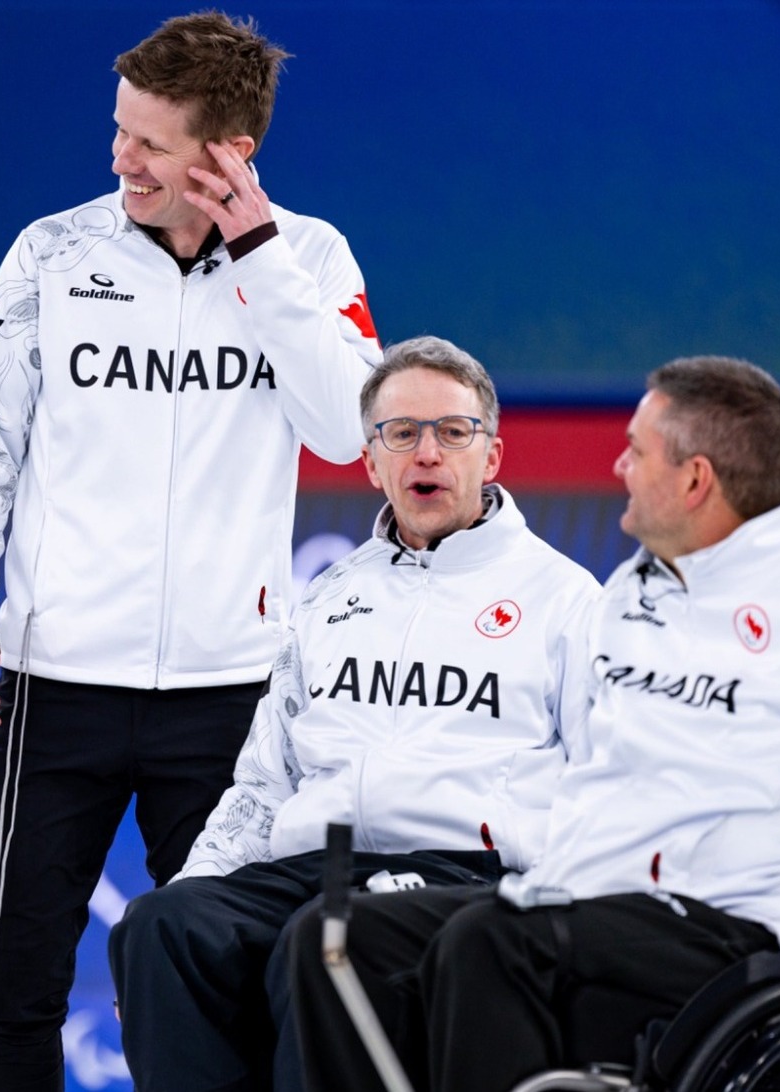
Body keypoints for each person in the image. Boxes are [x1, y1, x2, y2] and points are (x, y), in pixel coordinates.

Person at [286, 356, 780, 1092]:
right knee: (343, 938)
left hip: (738, 929)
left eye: (637, 451)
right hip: (589, 906)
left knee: (492, 945)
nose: (617, 465)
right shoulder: (630, 596)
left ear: (694, 479)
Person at [0, 12, 384, 1087]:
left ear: (229, 155)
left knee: (223, 976)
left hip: (231, 692)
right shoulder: (49, 252)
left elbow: (340, 428)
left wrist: (258, 255)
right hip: (54, 683)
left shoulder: (310, 257)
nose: (117, 158)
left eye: (148, 141)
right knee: (9, 983)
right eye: (118, 130)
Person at [106, 336, 599, 1090]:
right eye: (401, 433)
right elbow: (263, 784)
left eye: (451, 432)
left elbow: (606, 781)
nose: (425, 453)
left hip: (462, 875)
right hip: (314, 864)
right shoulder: (330, 596)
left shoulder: (564, 600)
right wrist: (194, 885)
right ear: (371, 463)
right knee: (161, 928)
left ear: (490, 457)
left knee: (323, 940)